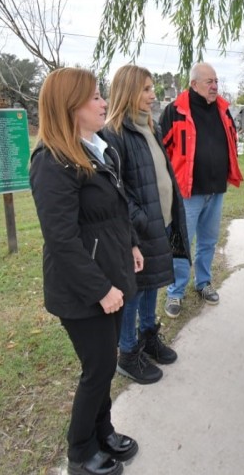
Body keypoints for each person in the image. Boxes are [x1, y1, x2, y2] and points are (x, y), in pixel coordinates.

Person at [30, 67, 141, 475]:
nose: (103, 103)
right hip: (82, 291)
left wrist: (130, 243)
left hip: (111, 277)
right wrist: (100, 290)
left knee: (106, 363)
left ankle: (103, 431)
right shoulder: (51, 162)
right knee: (97, 369)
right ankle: (80, 452)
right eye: (94, 97)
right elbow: (62, 241)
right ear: (69, 107)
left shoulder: (98, 148)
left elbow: (114, 208)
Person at [100, 65, 191, 385]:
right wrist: (140, 221)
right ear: (128, 92)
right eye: (147, 89)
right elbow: (116, 189)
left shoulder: (147, 127)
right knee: (134, 291)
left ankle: (148, 335)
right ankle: (127, 353)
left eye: (153, 89)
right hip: (140, 229)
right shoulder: (114, 133)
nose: (154, 95)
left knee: (153, 283)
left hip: (161, 223)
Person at [160, 62, 243, 317]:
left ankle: (203, 282)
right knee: (181, 243)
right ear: (194, 84)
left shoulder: (223, 110)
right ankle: (175, 292)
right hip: (187, 193)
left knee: (208, 241)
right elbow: (162, 150)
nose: (215, 86)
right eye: (209, 82)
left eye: (216, 81)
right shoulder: (175, 111)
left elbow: (231, 140)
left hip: (216, 189)